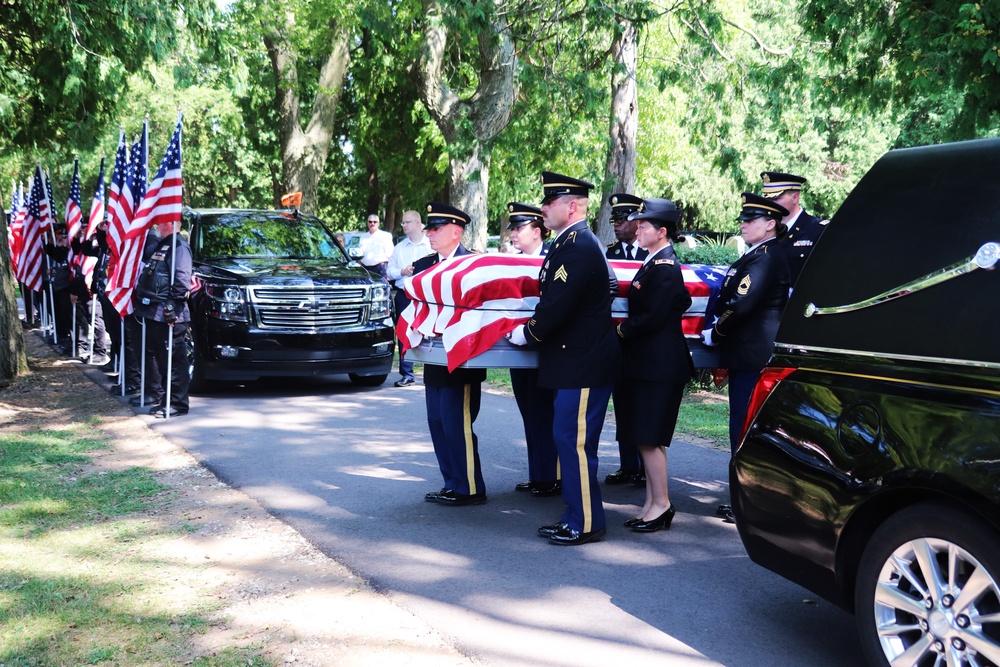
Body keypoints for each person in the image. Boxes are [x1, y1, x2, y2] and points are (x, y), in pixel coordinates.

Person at [509, 171, 623, 546]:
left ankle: (586, 522)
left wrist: (528, 333)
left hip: (583, 363)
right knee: (568, 439)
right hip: (574, 361)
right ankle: (576, 515)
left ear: (571, 206)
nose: (542, 207)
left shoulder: (577, 246)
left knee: (574, 443)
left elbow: (557, 306)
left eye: (549, 202)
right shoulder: (569, 244)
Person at [702, 192, 790, 521]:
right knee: (743, 428)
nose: (743, 224)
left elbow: (740, 304)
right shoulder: (757, 255)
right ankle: (746, 500)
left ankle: (747, 504)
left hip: (754, 357)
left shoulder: (765, 258)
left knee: (746, 429)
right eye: (743, 219)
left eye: (750, 220)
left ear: (770, 224)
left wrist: (716, 332)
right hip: (748, 356)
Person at [615, 198, 694, 533]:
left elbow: (652, 317)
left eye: (645, 225)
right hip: (650, 364)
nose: (638, 228)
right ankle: (652, 503)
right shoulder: (654, 263)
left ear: (662, 232)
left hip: (659, 366)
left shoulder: (664, 268)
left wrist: (618, 329)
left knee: (649, 438)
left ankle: (661, 505)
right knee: (647, 438)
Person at [417, 202, 489, 506]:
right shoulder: (423, 266)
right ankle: (452, 482)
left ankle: (470, 486)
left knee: (456, 423)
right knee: (436, 421)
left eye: (436, 229)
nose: (429, 234)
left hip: (462, 360)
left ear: (456, 232)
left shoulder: (474, 265)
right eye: (429, 228)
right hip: (433, 356)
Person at [505, 202, 560, 497]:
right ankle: (538, 474)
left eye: (519, 228)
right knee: (528, 412)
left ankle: (553, 476)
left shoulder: (553, 258)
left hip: (544, 347)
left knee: (545, 412)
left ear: (537, 231)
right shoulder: (510, 262)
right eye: (512, 229)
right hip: (517, 348)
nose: (514, 234)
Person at [603, 192, 648, 486]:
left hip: (643, 341)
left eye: (623, 220)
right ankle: (628, 465)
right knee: (621, 402)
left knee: (642, 406)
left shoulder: (651, 253)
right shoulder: (607, 254)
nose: (617, 225)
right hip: (615, 341)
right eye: (615, 220)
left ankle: (646, 465)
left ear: (636, 222)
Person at [133, 217, 193, 418]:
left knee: (174, 361)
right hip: (155, 312)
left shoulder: (179, 247)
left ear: (172, 223)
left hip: (169, 313)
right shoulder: (164, 245)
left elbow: (183, 280)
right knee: (162, 359)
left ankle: (178, 403)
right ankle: (166, 400)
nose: (158, 225)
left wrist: (172, 306)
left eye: (162, 222)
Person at [386, 209, 431, 387]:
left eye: (407, 222)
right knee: (404, 332)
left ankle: (432, 371)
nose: (403, 225)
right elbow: (389, 271)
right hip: (405, 295)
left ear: (418, 224)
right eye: (403, 222)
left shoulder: (430, 246)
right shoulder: (399, 248)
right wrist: (402, 271)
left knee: (429, 332)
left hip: (426, 296)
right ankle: (407, 374)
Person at [760, 171, 828, 284]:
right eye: (768, 199)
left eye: (776, 199)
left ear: (795, 198)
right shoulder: (762, 229)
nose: (770, 204)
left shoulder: (818, 230)